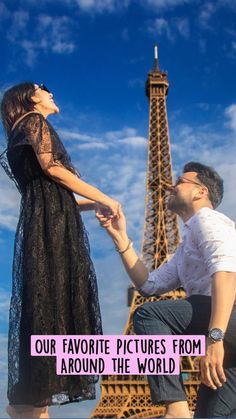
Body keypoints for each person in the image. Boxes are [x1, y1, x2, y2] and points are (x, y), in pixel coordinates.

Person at [0, 82, 120, 419]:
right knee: (53, 309)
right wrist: (104, 197)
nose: (51, 93)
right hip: (51, 231)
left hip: (45, 223)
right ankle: (28, 407)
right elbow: (53, 168)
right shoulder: (34, 121)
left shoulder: (21, 129)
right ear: (30, 97)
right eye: (44, 88)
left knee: (46, 310)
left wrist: (87, 205)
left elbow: (49, 192)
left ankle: (31, 406)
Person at [96, 162, 236, 418]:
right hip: (231, 342)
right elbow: (149, 285)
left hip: (228, 319)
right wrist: (120, 237)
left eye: (181, 181)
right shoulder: (186, 246)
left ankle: (175, 407)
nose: (172, 185)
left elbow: (227, 272)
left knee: (150, 315)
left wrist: (214, 339)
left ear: (200, 192)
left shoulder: (207, 220)